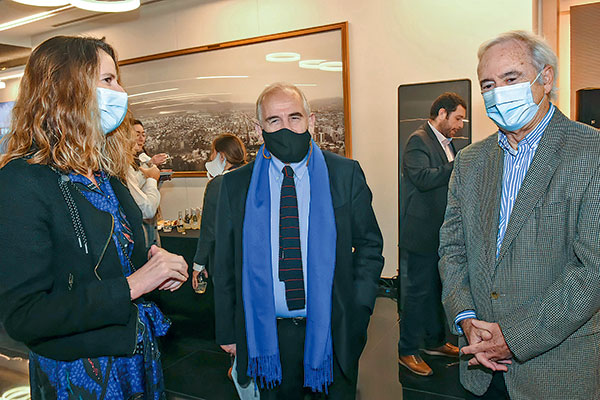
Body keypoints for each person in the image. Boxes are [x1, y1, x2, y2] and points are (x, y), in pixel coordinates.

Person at [0, 36, 189, 399]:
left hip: (135, 358)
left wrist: (156, 265)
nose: (120, 90)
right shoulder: (21, 181)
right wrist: (135, 284)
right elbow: (25, 315)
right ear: (66, 88)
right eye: (107, 80)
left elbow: (112, 265)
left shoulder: (106, 176)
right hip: (79, 374)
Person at [438, 30, 600, 399]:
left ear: (546, 78)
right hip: (480, 367)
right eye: (488, 84)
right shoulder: (470, 161)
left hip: (556, 370)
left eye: (511, 78)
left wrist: (513, 337)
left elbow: (593, 270)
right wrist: (464, 317)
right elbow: (452, 247)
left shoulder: (591, 152)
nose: (498, 93)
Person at [213, 82, 384, 399]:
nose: (286, 128)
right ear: (258, 128)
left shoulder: (344, 174)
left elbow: (370, 246)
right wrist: (227, 330)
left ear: (312, 120)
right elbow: (223, 262)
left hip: (333, 327)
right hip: (267, 334)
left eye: (295, 117)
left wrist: (358, 308)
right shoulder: (236, 185)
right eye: (273, 121)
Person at [398, 92, 466, 376]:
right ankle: (407, 350)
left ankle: (435, 342)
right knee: (416, 294)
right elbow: (423, 179)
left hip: (441, 233)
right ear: (441, 113)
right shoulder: (418, 140)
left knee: (437, 291)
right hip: (421, 233)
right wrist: (459, 164)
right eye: (458, 118)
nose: (460, 125)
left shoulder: (446, 144)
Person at [192, 133, 247, 289]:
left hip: (226, 260)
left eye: (212, 153)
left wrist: (198, 264)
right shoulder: (250, 177)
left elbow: (209, 229)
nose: (210, 158)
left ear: (222, 156)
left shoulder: (219, 183)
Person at [128, 119, 163, 247]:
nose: (141, 138)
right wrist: (151, 178)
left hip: (150, 226)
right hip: (137, 227)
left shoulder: (143, 159)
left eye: (143, 134)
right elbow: (147, 208)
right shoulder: (123, 168)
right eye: (137, 134)